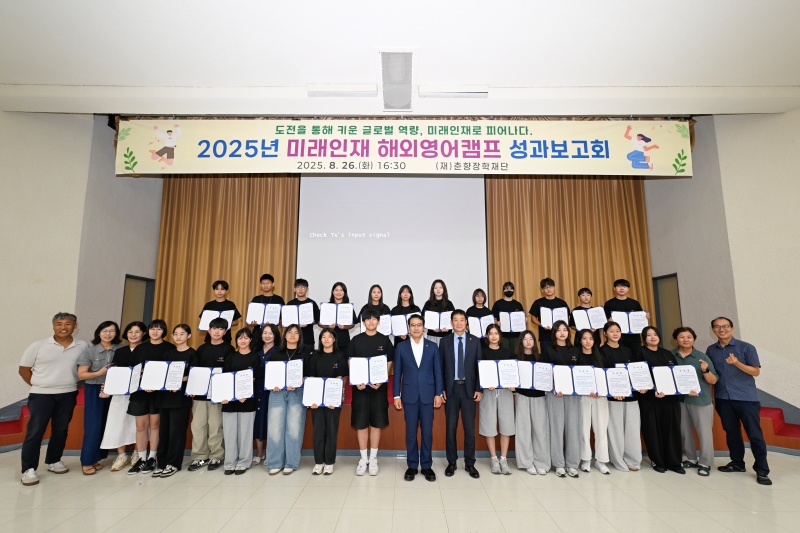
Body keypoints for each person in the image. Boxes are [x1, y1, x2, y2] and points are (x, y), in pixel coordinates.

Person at [19, 313, 88, 486]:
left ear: (75, 326)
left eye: (68, 324)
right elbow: (24, 369)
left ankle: (54, 460)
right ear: (53, 326)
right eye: (59, 324)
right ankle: (28, 469)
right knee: (35, 431)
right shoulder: (38, 346)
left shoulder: (82, 346)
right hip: (41, 395)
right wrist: (39, 384)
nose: (63, 327)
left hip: (68, 393)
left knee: (61, 429)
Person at [706, 316, 771, 485]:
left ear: (732, 328)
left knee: (755, 435)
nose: (722, 329)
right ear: (713, 330)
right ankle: (737, 463)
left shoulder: (746, 347)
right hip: (723, 398)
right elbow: (713, 374)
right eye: (717, 327)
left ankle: (762, 470)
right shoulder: (711, 350)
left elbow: (755, 371)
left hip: (746, 398)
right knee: (731, 433)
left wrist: (737, 363)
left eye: (725, 326)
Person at [394, 314, 444, 482]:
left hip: (428, 395)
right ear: (409, 328)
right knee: (410, 433)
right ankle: (412, 465)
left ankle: (427, 466)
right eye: (413, 325)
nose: (416, 328)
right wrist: (396, 395)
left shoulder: (433, 346)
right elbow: (397, 373)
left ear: (424, 327)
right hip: (409, 395)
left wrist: (438, 393)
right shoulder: (401, 347)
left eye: (419, 325)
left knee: (427, 432)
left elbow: (438, 372)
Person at [347, 308, 395, 476]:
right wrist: (356, 380)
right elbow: (350, 362)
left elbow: (389, 361)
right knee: (361, 424)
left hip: (378, 389)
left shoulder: (385, 340)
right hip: (360, 389)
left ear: (378, 321)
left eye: (374, 319)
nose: (371, 322)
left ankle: (373, 458)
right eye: (368, 319)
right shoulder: (356, 340)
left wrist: (381, 379)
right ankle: (363, 459)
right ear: (363, 322)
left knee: (376, 423)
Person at [127, 319, 175, 475]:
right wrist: (144, 382)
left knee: (155, 425)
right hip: (140, 392)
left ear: (164, 331)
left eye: (159, 329)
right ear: (148, 331)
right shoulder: (140, 348)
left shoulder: (170, 348)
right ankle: (141, 458)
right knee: (141, 426)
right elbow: (134, 371)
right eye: (153, 328)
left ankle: (152, 457)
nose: (155, 331)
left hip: (160, 393)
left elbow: (171, 371)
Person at [440, 310, 483, 478]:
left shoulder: (475, 341)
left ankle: (470, 463)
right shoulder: (444, 341)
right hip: (451, 390)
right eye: (455, 320)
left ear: (466, 322)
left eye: (462, 320)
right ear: (451, 322)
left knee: (469, 429)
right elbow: (440, 367)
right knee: (450, 428)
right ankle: (451, 462)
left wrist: (479, 389)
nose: (459, 323)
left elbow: (479, 367)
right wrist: (441, 389)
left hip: (469, 390)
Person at [187, 317, 234, 472]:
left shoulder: (229, 349)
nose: (217, 332)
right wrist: (192, 388)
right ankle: (199, 457)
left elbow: (229, 374)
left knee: (215, 426)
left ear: (225, 332)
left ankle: (216, 456)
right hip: (200, 396)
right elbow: (195, 372)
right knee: (198, 426)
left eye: (220, 329)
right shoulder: (201, 349)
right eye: (214, 328)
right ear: (208, 330)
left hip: (217, 396)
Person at [76, 321, 123, 475]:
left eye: (111, 331)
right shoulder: (90, 351)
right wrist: (99, 373)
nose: (108, 334)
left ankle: (96, 458)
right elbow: (81, 374)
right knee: (93, 425)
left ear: (116, 333)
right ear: (98, 333)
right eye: (104, 331)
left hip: (115, 390)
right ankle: (87, 461)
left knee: (107, 425)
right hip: (95, 389)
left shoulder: (121, 349)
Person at [638, 326, 685, 474]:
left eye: (655, 334)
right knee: (652, 431)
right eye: (649, 335)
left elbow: (675, 375)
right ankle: (657, 461)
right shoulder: (639, 353)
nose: (653, 337)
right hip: (649, 399)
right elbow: (638, 375)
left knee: (672, 431)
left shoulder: (667, 353)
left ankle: (674, 462)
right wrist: (652, 390)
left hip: (670, 399)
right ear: (644, 338)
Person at [672, 326, 717, 477]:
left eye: (689, 337)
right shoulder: (670, 355)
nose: (685, 340)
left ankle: (705, 463)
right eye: (682, 337)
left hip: (700, 400)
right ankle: (691, 458)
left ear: (693, 339)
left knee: (704, 433)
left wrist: (705, 370)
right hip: (680, 399)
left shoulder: (702, 357)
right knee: (684, 431)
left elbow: (713, 380)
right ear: (676, 339)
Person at [151, 324, 194, 477]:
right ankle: (161, 463)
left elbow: (194, 375)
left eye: (182, 334)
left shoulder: (192, 354)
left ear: (188, 336)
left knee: (177, 432)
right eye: (175, 334)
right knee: (164, 432)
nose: (178, 337)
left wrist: (179, 381)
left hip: (181, 399)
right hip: (164, 397)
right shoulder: (167, 353)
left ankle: (174, 463)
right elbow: (160, 373)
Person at [600, 321, 642, 472]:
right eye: (611, 331)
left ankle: (633, 460)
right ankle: (618, 460)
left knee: (632, 428)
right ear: (605, 333)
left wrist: (641, 385)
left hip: (631, 395)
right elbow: (602, 374)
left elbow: (636, 372)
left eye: (617, 330)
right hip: (613, 397)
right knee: (615, 430)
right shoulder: (601, 351)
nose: (615, 333)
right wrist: (614, 391)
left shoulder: (628, 350)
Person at [541, 321, 581, 478]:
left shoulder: (575, 350)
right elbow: (544, 372)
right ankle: (558, 464)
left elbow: (579, 373)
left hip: (572, 395)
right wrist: (553, 387)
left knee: (573, 428)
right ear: (554, 333)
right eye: (559, 330)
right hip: (554, 394)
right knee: (556, 428)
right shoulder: (548, 349)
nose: (563, 333)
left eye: (565, 330)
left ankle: (572, 464)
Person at [101, 322, 142, 472]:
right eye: (130, 331)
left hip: (140, 393)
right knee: (118, 422)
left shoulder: (146, 350)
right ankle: (121, 455)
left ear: (143, 334)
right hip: (120, 393)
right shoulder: (120, 351)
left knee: (138, 424)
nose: (133, 335)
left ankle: (138, 452)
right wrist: (107, 387)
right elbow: (114, 371)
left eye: (137, 332)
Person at [307, 328, 349, 474]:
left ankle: (329, 462)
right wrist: (312, 399)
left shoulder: (340, 356)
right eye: (323, 336)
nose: (326, 339)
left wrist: (335, 398)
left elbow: (342, 378)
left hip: (332, 401)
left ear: (334, 339)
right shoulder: (314, 356)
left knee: (331, 430)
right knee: (318, 431)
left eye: (329, 336)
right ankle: (319, 462)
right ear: (320, 339)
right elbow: (311, 379)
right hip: (317, 401)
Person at [266, 324, 307, 475]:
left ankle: (291, 462)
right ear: (284, 335)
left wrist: (301, 381)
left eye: (296, 333)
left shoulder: (305, 353)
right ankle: (275, 462)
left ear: (300, 336)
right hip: (277, 393)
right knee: (275, 427)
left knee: (294, 428)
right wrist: (274, 385)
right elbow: (270, 375)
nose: (292, 335)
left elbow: (310, 374)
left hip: (297, 392)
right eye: (290, 332)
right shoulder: (276, 353)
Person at [222, 328, 261, 475]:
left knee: (245, 433)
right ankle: (230, 462)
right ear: (236, 340)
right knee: (230, 433)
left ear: (250, 340)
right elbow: (225, 379)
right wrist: (226, 395)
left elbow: (254, 379)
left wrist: (244, 393)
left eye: (246, 338)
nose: (243, 341)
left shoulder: (255, 357)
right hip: (230, 401)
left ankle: (244, 462)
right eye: (240, 338)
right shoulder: (230, 357)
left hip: (247, 400)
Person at [479, 324, 515, 475]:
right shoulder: (482, 352)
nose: (493, 336)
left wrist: (513, 384)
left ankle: (503, 459)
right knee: (489, 425)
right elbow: (479, 373)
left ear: (500, 336)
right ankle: (494, 458)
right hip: (488, 392)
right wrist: (485, 383)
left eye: (496, 333)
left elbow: (513, 372)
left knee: (506, 425)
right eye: (491, 333)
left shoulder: (508, 352)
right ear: (487, 336)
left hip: (505, 392)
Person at [514, 330, 550, 475]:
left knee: (540, 431)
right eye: (525, 339)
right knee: (523, 430)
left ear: (535, 341)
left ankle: (541, 462)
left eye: (531, 339)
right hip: (522, 396)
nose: (528, 341)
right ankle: (526, 462)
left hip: (539, 397)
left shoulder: (541, 358)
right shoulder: (516, 359)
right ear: (521, 342)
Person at [575, 329, 611, 474]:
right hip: (583, 397)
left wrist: (600, 390)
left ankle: (601, 460)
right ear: (580, 340)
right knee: (584, 429)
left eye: (590, 338)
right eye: (584, 338)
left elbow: (607, 376)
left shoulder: (601, 355)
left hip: (600, 397)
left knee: (601, 428)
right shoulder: (576, 356)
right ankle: (585, 459)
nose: (588, 341)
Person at [252, 323, 280, 465]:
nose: (267, 336)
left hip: (272, 390)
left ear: (275, 335)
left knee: (271, 420)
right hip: (256, 388)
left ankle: (270, 453)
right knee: (258, 420)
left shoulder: (279, 351)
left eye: (270, 333)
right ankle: (259, 452)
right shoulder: (255, 350)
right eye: (264, 333)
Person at [603, 279, 648, 353]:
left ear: (628, 289)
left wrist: (645, 317)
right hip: (616, 338)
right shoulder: (609, 303)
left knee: (636, 357)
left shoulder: (635, 303)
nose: (621, 288)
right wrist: (609, 321)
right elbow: (605, 321)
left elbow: (640, 319)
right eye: (619, 286)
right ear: (614, 288)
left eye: (624, 286)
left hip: (634, 338)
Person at [528, 278, 569, 349]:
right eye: (545, 287)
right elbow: (533, 318)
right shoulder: (538, 302)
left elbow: (567, 318)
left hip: (560, 335)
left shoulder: (562, 303)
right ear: (542, 290)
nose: (548, 289)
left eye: (550, 286)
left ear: (554, 287)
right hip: (545, 336)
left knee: (560, 354)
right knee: (545, 355)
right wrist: (542, 325)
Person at [200, 280, 241, 344]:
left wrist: (223, 325)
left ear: (226, 291)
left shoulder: (230, 304)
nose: (219, 291)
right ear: (214, 290)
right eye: (217, 289)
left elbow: (236, 322)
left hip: (225, 337)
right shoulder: (209, 305)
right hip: (210, 337)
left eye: (222, 289)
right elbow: (203, 322)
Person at [321, 282, 357, 352]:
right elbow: (319, 322)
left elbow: (353, 324)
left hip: (343, 340)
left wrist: (344, 327)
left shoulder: (348, 307)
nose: (338, 292)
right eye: (336, 290)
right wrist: (327, 326)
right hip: (328, 341)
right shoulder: (326, 306)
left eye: (341, 290)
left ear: (344, 292)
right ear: (333, 292)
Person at [286, 278, 320, 353]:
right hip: (292, 340)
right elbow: (286, 322)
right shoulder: (290, 304)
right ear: (294, 289)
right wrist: (296, 325)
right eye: (298, 287)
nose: (300, 289)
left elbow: (318, 320)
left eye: (303, 287)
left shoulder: (312, 303)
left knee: (308, 360)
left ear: (307, 289)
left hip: (308, 340)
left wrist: (311, 321)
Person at [491, 281, 526, 353]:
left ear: (514, 291)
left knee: (516, 353)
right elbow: (493, 319)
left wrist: (524, 320)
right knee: (504, 353)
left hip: (516, 335)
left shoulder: (518, 304)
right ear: (503, 290)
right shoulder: (497, 304)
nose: (509, 290)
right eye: (507, 289)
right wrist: (497, 322)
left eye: (511, 289)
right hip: (502, 335)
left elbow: (522, 318)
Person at [422, 279, 454, 346]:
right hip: (432, 336)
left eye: (440, 287)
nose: (438, 290)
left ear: (444, 289)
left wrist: (449, 328)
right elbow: (422, 318)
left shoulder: (449, 303)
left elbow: (454, 318)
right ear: (433, 290)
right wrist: (430, 327)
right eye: (436, 288)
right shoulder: (428, 303)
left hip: (446, 336)